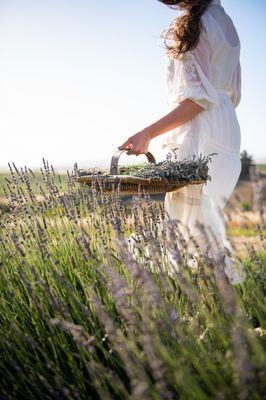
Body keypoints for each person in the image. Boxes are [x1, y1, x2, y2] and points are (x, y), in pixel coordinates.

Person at [119, 0, 246, 284]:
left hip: (201, 133)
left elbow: (197, 100)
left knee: (188, 227)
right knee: (204, 227)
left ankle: (202, 311)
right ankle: (217, 311)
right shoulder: (225, 21)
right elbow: (230, 93)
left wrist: (147, 133)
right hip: (226, 129)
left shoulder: (197, 24)